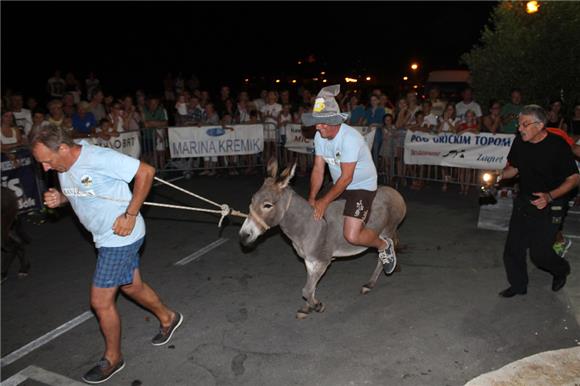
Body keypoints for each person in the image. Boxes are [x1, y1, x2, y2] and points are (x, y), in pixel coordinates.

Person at [29, 125, 183, 384]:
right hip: (103, 238)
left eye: (46, 161)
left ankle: (113, 358)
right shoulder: (64, 164)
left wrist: (130, 215)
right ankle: (169, 317)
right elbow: (82, 192)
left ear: (63, 149)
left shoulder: (98, 158)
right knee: (131, 287)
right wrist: (61, 199)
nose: (45, 168)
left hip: (120, 238)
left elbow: (147, 172)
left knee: (100, 302)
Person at [303, 84, 397, 275]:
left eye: (322, 122)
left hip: (360, 186)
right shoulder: (320, 136)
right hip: (339, 183)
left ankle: (383, 245)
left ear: (334, 121)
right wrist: (313, 197)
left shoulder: (350, 138)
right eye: (316, 122)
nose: (317, 126)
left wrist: (323, 201)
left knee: (352, 235)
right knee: (317, 215)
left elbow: (347, 179)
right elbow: (318, 169)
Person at [497, 105, 579, 298]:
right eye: (519, 124)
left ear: (540, 125)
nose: (520, 128)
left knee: (539, 254)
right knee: (513, 248)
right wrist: (499, 174)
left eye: (525, 124)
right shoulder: (520, 142)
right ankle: (518, 285)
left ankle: (561, 270)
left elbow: (574, 179)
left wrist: (549, 196)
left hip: (552, 202)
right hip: (525, 200)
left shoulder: (557, 145)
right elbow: (515, 168)